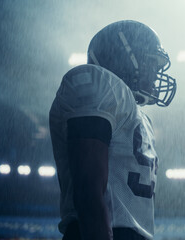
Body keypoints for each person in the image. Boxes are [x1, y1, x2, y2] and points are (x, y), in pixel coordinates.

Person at [49, 20, 177, 240]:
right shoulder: (100, 82)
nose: (156, 74)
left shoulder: (140, 116)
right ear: (123, 56)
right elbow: (88, 190)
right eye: (151, 63)